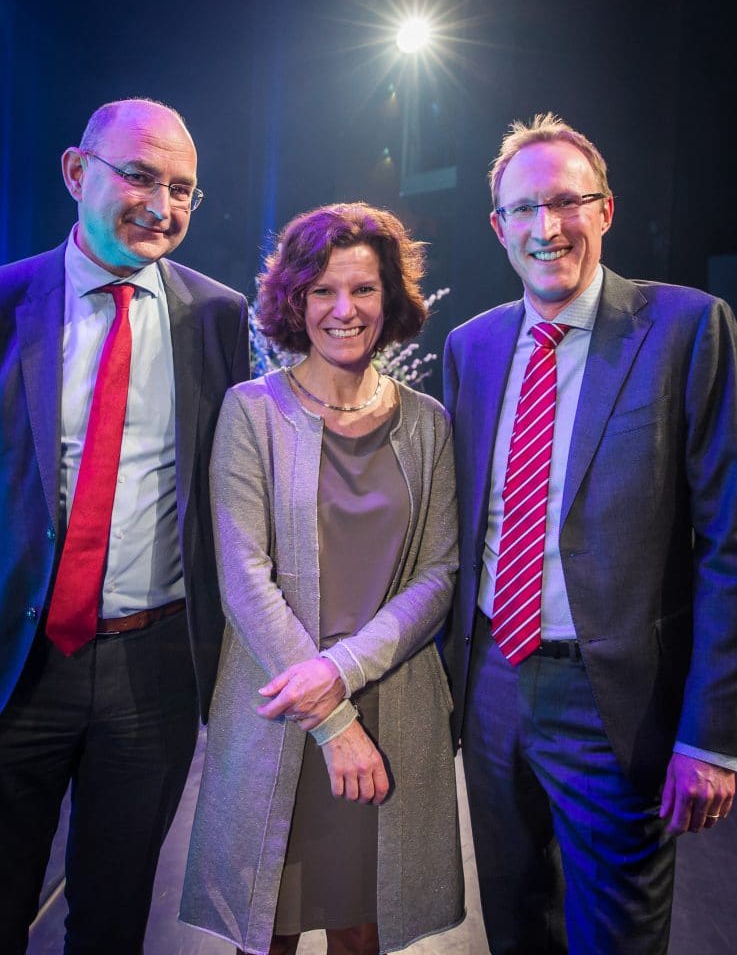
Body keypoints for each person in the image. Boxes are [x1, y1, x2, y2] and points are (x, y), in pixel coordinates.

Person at [443, 112, 737, 954]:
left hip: (617, 700)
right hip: (493, 680)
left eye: (567, 202)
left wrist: (710, 736)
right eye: (525, 210)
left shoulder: (685, 328)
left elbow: (727, 544)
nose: (548, 227)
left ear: (605, 210)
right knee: (512, 920)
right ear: (499, 227)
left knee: (615, 936)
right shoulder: (472, 346)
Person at [0, 97, 250, 954]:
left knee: (110, 920)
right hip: (14, 664)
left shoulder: (219, 319)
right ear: (78, 173)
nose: (163, 205)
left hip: (155, 670)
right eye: (140, 177)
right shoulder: (7, 300)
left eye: (183, 189)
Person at [180, 202, 464, 955]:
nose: (345, 310)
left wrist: (340, 671)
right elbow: (242, 577)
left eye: (364, 290)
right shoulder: (251, 412)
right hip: (280, 710)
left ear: (390, 299)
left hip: (392, 706)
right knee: (265, 926)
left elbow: (437, 575)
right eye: (322, 291)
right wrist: (334, 722)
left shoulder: (428, 422)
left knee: (361, 929)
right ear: (293, 301)